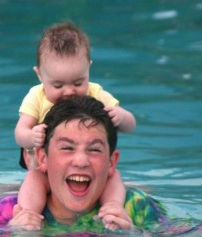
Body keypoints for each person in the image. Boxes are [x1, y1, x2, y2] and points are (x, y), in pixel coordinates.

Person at [0, 96, 166, 234]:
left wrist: (135, 234)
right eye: (67, 148)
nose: (80, 161)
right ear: (42, 158)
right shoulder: (8, 212)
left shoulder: (136, 208)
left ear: (112, 162)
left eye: (94, 149)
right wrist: (10, 234)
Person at [14, 21, 136, 227]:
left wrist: (121, 117)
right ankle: (28, 216)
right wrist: (31, 136)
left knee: (114, 177)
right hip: (39, 166)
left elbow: (130, 126)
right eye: (58, 85)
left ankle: (113, 207)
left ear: (89, 67)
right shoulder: (36, 95)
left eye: (78, 83)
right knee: (34, 179)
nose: (69, 91)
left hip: (75, 173)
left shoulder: (97, 93)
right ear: (39, 75)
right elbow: (19, 132)